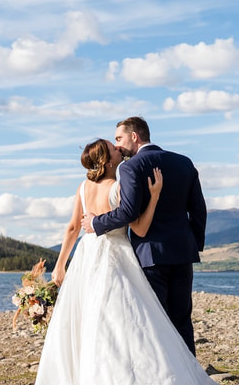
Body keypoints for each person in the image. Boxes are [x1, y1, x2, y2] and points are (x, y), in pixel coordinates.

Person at [16, 139, 231, 385]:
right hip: (116, 258)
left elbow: (71, 229)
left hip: (86, 259)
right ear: (108, 159)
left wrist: (61, 264)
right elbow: (140, 229)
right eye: (114, 147)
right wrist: (154, 196)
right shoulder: (118, 186)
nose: (120, 150)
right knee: (130, 328)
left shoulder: (82, 187)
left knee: (89, 326)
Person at [81, 117, 205, 354]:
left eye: (119, 138)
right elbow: (198, 209)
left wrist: (96, 222)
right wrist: (194, 244)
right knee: (182, 320)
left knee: (156, 320)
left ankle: (167, 376)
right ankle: (192, 379)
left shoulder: (130, 167)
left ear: (134, 137)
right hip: (182, 252)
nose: (118, 145)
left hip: (150, 254)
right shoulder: (184, 162)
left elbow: (128, 211)